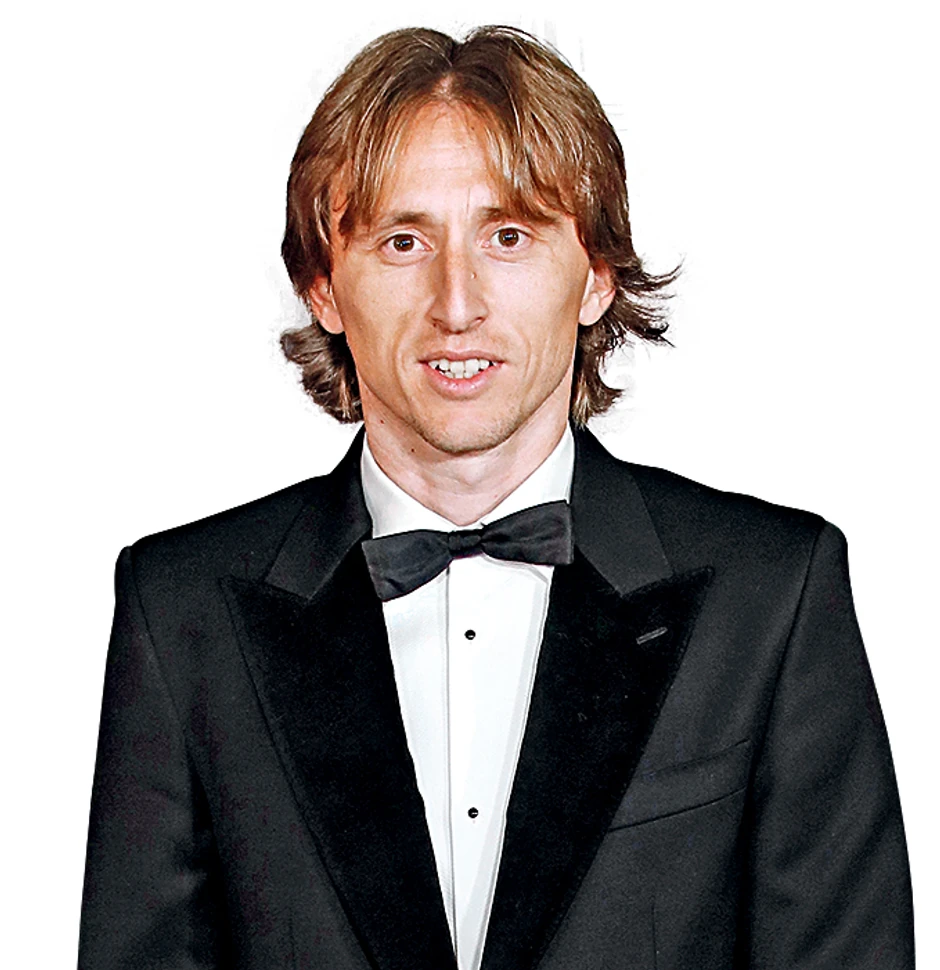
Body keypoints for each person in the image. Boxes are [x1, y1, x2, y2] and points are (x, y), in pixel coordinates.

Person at [78, 25, 914, 970]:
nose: (457, 303)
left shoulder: (773, 595)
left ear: (596, 275)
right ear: (323, 286)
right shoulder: (179, 611)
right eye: (402, 241)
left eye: (508, 236)